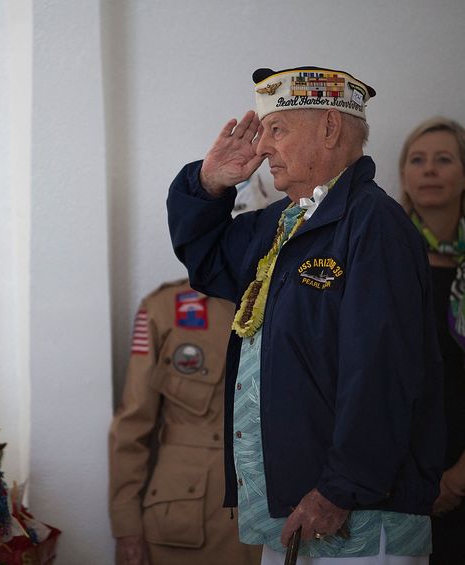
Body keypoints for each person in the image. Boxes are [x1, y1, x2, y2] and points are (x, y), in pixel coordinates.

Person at [166, 66, 445, 564]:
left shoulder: (373, 223)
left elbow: (381, 371)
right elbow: (206, 262)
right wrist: (208, 184)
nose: (263, 148)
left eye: (278, 129)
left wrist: (340, 488)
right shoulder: (286, 221)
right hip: (295, 510)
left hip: (353, 514)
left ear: (330, 129)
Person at [108, 178, 276, 565]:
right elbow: (133, 425)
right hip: (185, 521)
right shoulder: (166, 308)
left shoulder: (298, 300)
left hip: (274, 514)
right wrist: (126, 524)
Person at [399, 117, 465, 565]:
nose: (429, 170)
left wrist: (459, 479)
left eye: (444, 159)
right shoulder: (382, 260)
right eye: (417, 160)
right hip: (395, 478)